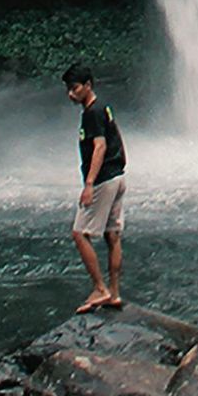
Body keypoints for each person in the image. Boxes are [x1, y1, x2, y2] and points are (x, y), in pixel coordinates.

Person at [62, 62, 126, 312]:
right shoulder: (104, 107)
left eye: (75, 88)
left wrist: (89, 184)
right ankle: (115, 294)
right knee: (112, 235)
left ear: (88, 85)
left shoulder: (92, 113)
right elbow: (116, 139)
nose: (70, 93)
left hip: (103, 180)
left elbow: (99, 146)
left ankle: (100, 288)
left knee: (79, 234)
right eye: (68, 89)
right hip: (117, 176)